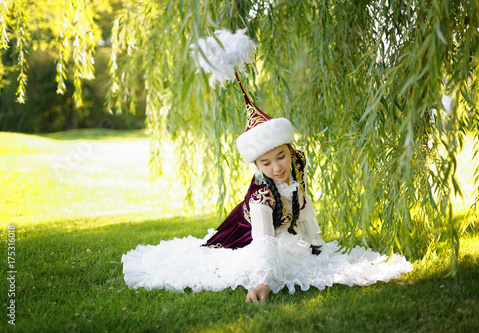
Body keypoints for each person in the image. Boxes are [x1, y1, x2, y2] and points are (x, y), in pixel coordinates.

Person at [121, 29, 412, 304]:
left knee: (313, 259)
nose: (277, 167)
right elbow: (262, 241)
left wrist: (314, 242)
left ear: (289, 149)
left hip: (281, 231)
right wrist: (261, 280)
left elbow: (303, 201)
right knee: (273, 264)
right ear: (256, 164)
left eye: (281, 156)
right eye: (266, 162)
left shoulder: (298, 162)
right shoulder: (262, 196)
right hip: (246, 237)